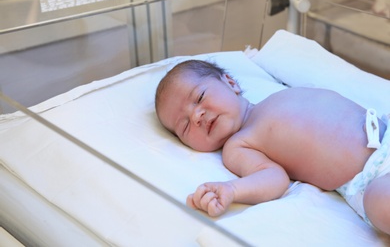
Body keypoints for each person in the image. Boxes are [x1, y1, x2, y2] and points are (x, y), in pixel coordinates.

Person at [155, 59, 390, 234]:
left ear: (230, 82)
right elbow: (273, 179)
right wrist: (232, 189)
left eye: (199, 97)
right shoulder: (237, 146)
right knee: (380, 204)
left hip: (385, 130)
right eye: (184, 126)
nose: (197, 115)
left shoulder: (275, 96)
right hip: (373, 176)